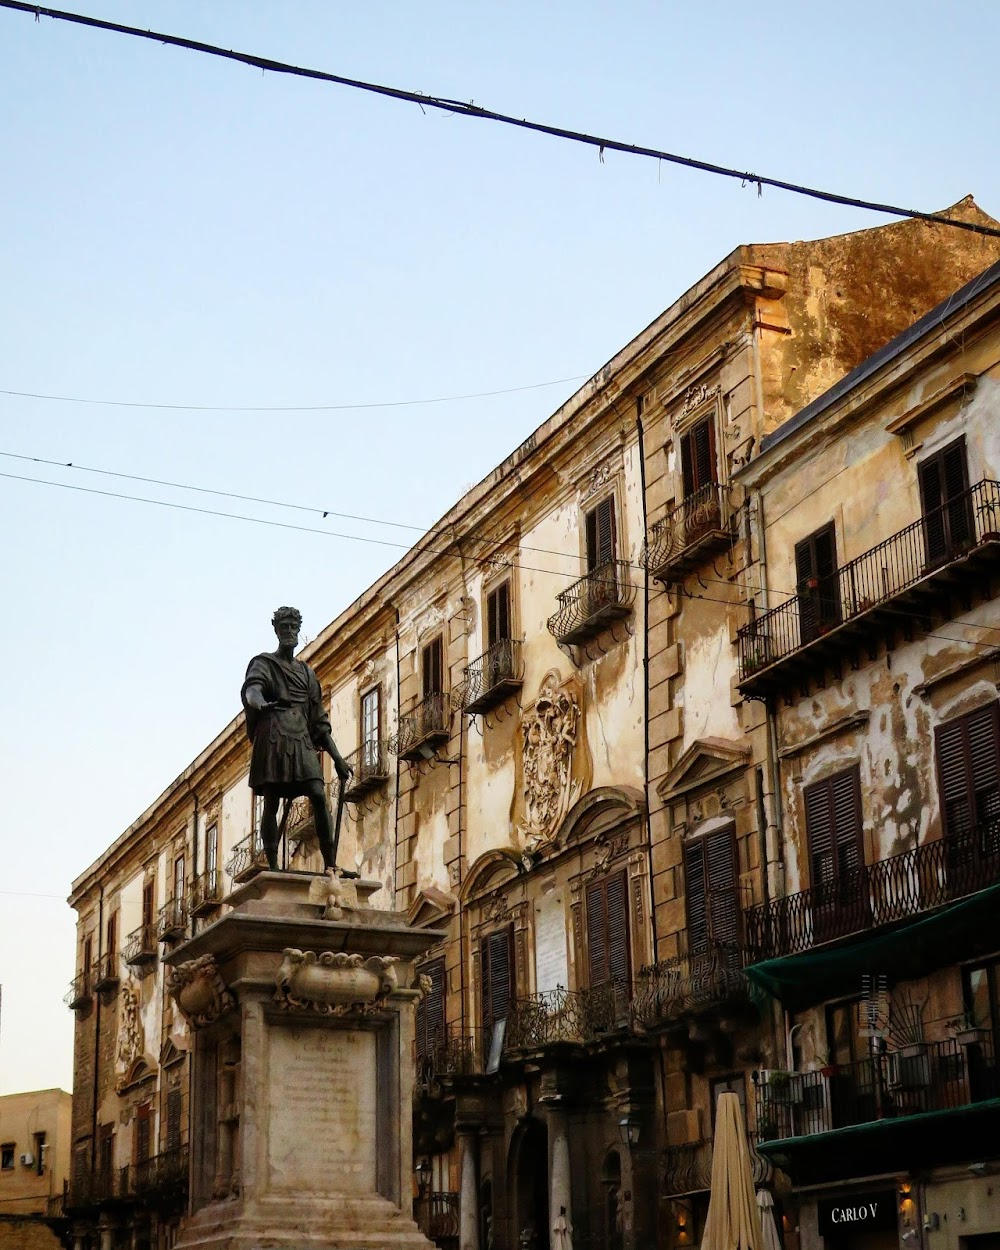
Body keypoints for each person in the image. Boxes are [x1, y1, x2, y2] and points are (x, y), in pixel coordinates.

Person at [241, 606, 353, 873]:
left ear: (298, 630)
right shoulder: (264, 663)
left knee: (317, 793)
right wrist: (261, 704)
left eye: (293, 627)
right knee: (271, 801)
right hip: (274, 734)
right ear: (277, 630)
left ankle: (331, 864)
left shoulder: (307, 673)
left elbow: (319, 720)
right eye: (284, 628)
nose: (289, 632)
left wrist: (337, 759)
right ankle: (271, 865)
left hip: (301, 736)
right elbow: (252, 690)